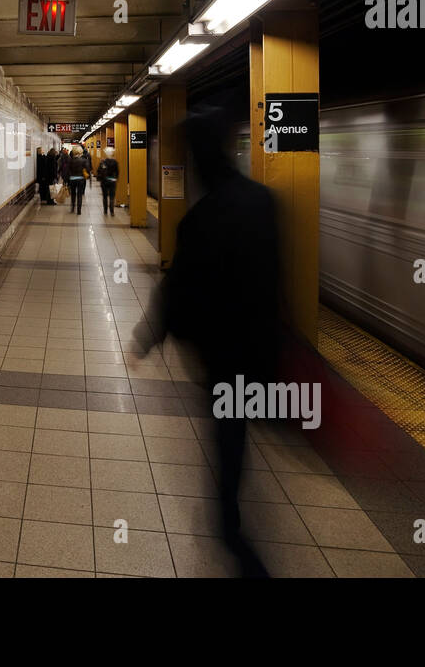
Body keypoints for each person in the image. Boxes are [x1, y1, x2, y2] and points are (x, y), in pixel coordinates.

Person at [134, 104, 280, 578]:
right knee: (241, 435)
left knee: (230, 439)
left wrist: (147, 337)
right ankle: (234, 506)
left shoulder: (199, 221)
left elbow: (178, 291)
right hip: (262, 355)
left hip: (222, 361)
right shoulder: (264, 203)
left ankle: (237, 541)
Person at [97, 147, 119, 215]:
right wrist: (116, 178)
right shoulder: (115, 162)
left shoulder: (103, 162)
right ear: (112, 153)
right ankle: (112, 211)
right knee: (112, 196)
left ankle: (105, 210)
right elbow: (117, 172)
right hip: (112, 181)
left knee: (105, 196)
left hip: (104, 181)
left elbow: (98, 171)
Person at [67, 146, 87, 214]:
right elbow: (87, 169)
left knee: (73, 194)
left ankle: (72, 208)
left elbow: (68, 170)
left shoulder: (70, 160)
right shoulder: (83, 160)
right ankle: (79, 210)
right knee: (79, 195)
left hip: (72, 179)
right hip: (81, 179)